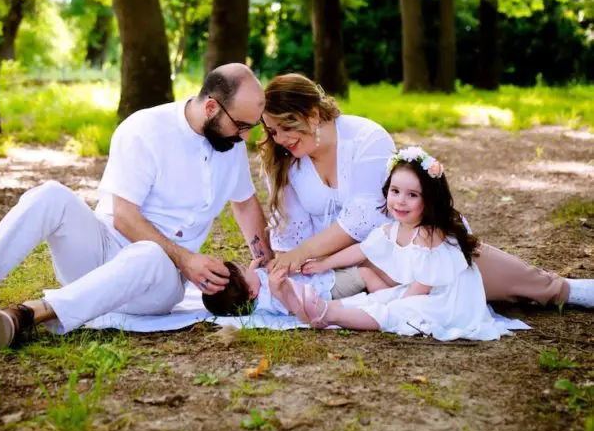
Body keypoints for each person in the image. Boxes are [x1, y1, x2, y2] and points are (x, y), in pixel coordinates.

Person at [0, 64, 272, 347]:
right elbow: (124, 218)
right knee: (50, 194)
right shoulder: (145, 130)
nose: (245, 137)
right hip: (101, 250)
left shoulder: (231, 148)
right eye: (241, 125)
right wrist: (189, 259)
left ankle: (29, 314)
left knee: (150, 254)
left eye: (251, 127)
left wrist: (264, 258)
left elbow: (244, 203)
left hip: (157, 281)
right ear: (211, 106)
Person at [262, 73, 594, 309]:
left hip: (403, 246)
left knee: (470, 274)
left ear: (314, 114)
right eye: (272, 131)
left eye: (285, 127)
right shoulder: (289, 163)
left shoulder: (365, 138)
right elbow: (291, 231)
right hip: (343, 266)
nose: (280, 140)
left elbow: (362, 223)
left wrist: (300, 254)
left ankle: (564, 289)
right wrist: (285, 261)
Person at [271, 145, 519, 340]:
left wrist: (398, 301)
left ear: (429, 201)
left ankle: (327, 314)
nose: (400, 201)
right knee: (376, 299)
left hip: (446, 302)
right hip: (422, 291)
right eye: (395, 191)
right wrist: (324, 264)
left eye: (412, 195)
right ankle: (311, 306)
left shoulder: (428, 234)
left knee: (394, 310)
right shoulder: (393, 228)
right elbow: (361, 250)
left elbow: (424, 284)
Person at [201, 258, 334, 317]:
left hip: (317, 272)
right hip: (325, 287)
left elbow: (249, 280)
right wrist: (277, 289)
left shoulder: (252, 285)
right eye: (245, 269)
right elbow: (294, 307)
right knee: (353, 278)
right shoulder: (268, 301)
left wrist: (253, 267)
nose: (249, 269)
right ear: (252, 293)